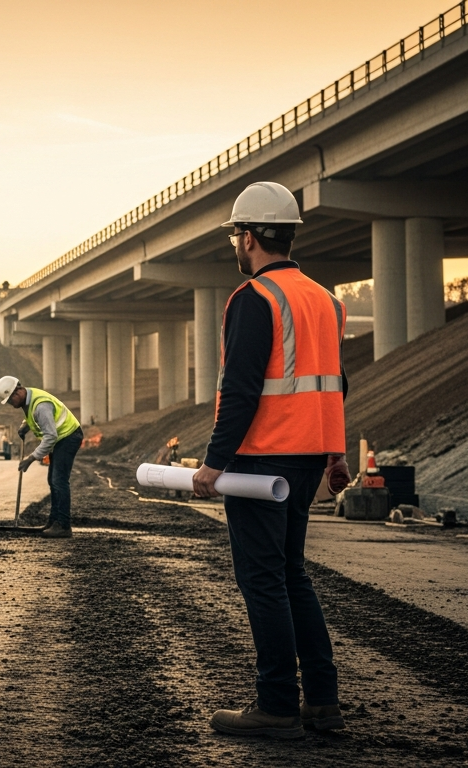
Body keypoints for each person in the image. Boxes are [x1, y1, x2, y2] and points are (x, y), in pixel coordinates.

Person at [192, 181, 354, 739]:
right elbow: (334, 384)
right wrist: (336, 453)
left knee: (263, 581)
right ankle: (322, 704)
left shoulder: (254, 299)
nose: (235, 244)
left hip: (263, 461)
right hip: (309, 456)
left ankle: (278, 706)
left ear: (254, 235)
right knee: (291, 576)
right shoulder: (325, 300)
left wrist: (214, 464)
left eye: (237, 233)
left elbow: (240, 390)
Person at [0, 376, 82, 538]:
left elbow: (50, 436)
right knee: (53, 480)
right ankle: (54, 521)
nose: (10, 404)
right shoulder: (29, 399)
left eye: (9, 400)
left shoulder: (41, 406)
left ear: (18, 392)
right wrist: (25, 426)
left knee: (59, 480)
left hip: (68, 437)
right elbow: (35, 417)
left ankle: (63, 525)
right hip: (60, 439)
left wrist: (31, 458)